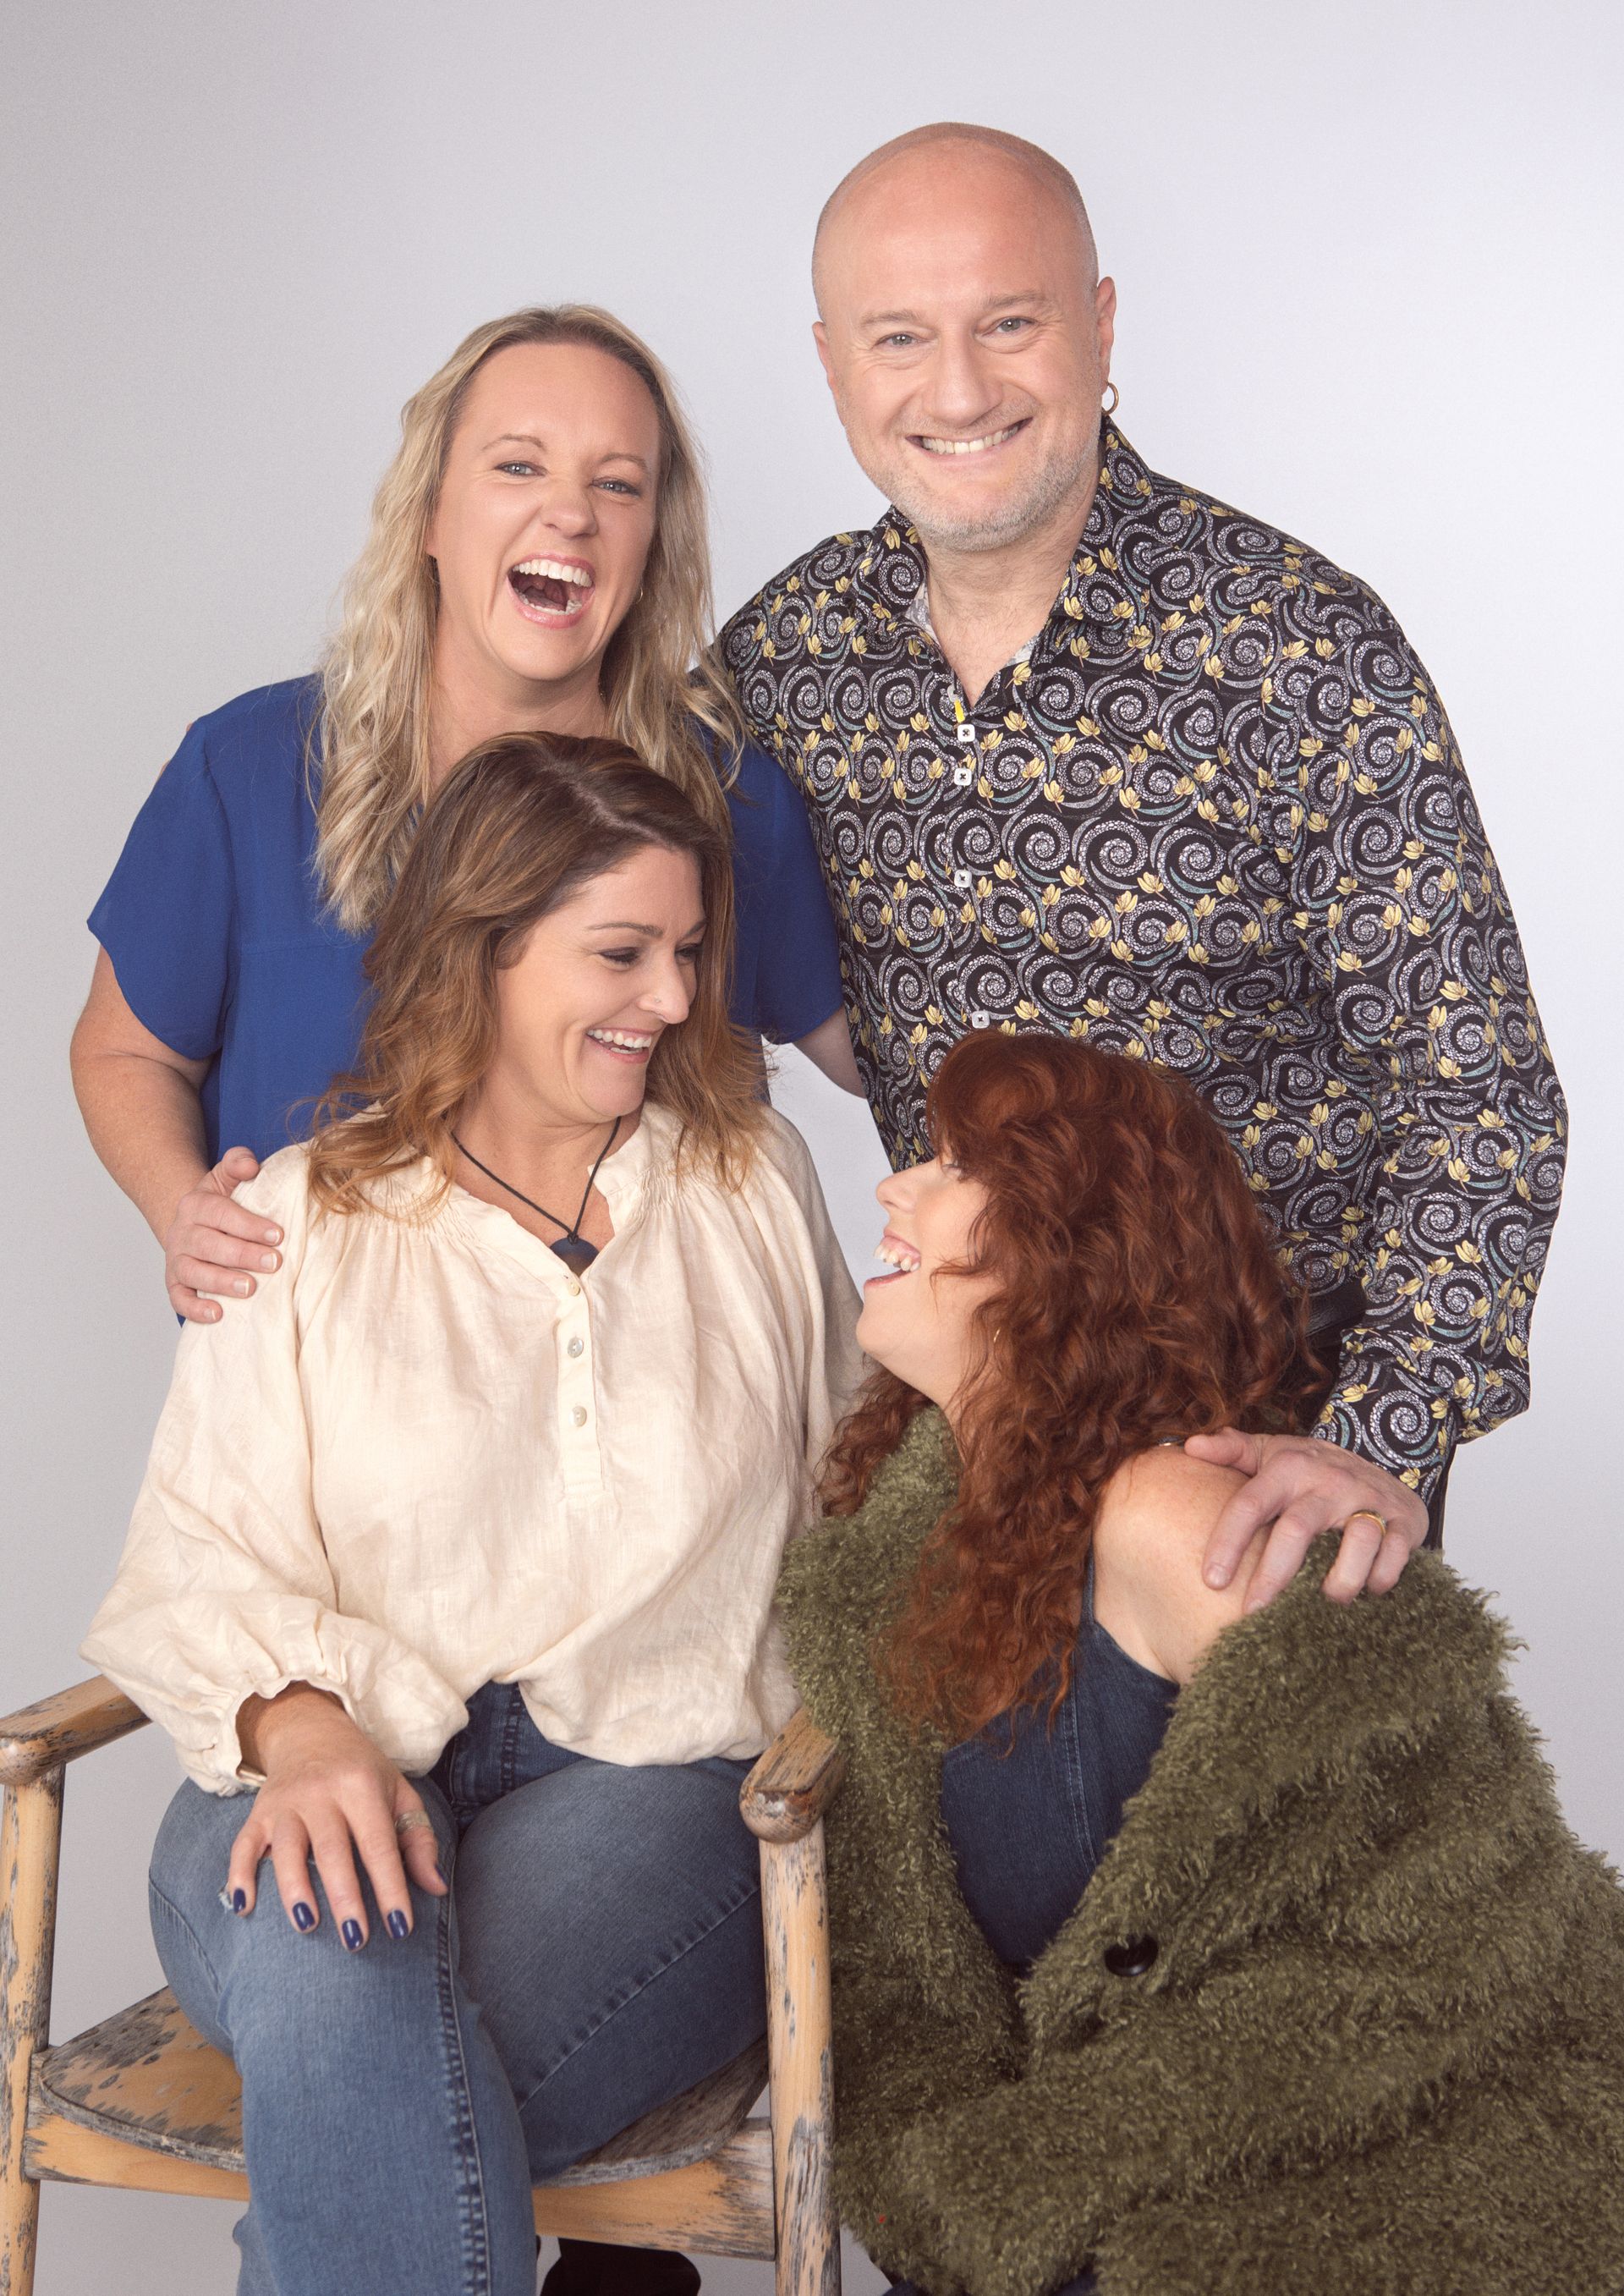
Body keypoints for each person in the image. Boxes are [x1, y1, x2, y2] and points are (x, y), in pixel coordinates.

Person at [721, 123, 1567, 1597]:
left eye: (1011, 322)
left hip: (1265, 1434)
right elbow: (598, 902)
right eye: (900, 336)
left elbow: (1476, 1086)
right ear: (833, 364)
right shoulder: (787, 661)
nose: (959, 389)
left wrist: (1383, 1434)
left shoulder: (1296, 646)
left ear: (1100, 324)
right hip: (971, 1417)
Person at [81, 733, 864, 2296]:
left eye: (689, 952)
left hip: (654, 1781)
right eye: (621, 954)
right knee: (333, 1947)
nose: (673, 997)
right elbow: (191, 1563)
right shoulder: (300, 1214)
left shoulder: (748, 1183)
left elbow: (857, 1489)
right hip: (306, 1748)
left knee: (354, 2062)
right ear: (485, 948)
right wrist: (305, 1732)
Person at [774, 1031, 1624, 2296]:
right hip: (1101, 2196)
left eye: (953, 1166)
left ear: (1070, 1246)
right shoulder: (933, 1542)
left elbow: (1450, 1940)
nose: (896, 1184)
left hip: (1366, 2182)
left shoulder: (1177, 1520)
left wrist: (1027, 2169)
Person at [72, 301, 859, 1330]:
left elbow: (887, 1049)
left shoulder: (732, 796)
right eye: (518, 466)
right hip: (328, 1379)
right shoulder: (249, 769)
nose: (570, 513)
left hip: (653, 1382)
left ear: (653, 541)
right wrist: (186, 1208)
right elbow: (126, 1052)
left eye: (618, 483)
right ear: (430, 517)